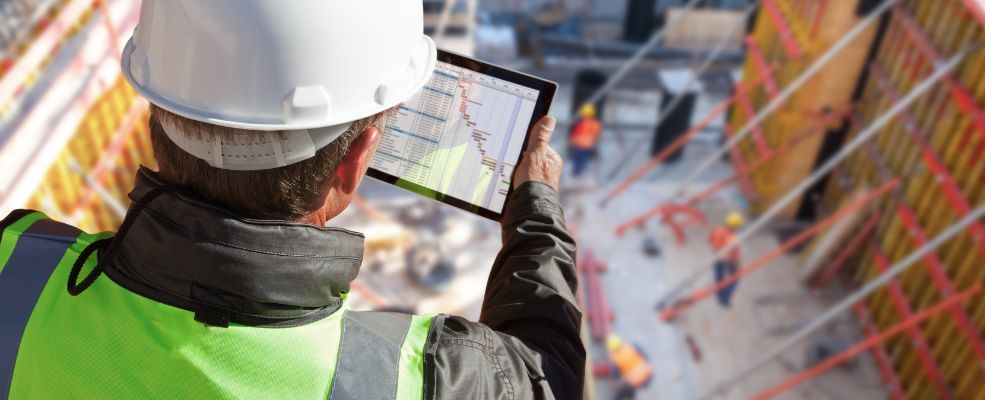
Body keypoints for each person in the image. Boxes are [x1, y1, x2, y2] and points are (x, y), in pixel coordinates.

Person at [0, 1, 583, 398]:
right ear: (355, 162)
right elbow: (545, 372)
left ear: (157, 106)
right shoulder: (413, 380)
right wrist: (535, 212)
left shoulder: (15, 266)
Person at [709, 211, 744, 307]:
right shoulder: (732, 238)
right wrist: (735, 262)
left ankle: (719, 293)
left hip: (717, 255)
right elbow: (734, 252)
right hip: (728, 259)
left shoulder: (717, 230)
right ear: (735, 226)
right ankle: (724, 299)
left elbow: (710, 239)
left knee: (719, 276)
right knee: (734, 279)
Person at [605, 334, 652, 400]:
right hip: (647, 373)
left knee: (621, 392)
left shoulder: (616, 359)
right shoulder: (632, 346)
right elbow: (645, 356)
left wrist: (615, 384)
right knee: (629, 385)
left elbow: (616, 379)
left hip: (636, 380)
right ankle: (632, 395)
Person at [569, 102, 603, 177]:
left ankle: (576, 174)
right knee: (584, 159)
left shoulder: (583, 123)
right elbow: (597, 135)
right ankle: (579, 173)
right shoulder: (596, 124)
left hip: (580, 144)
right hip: (589, 145)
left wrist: (571, 141)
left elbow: (576, 132)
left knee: (577, 159)